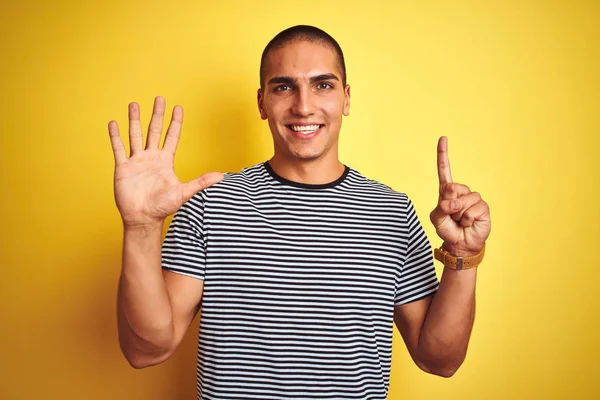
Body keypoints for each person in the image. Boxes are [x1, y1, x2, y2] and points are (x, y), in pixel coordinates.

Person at [108, 25, 491, 400]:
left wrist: (462, 257)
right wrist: (141, 228)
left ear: (346, 98)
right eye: (284, 86)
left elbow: (440, 360)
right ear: (262, 102)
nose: (304, 105)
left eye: (322, 84)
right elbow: (146, 350)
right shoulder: (211, 204)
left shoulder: (391, 212)